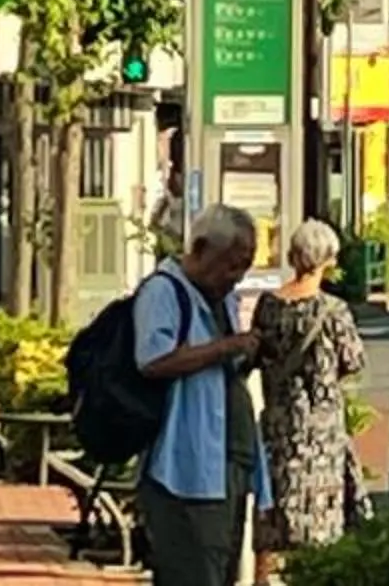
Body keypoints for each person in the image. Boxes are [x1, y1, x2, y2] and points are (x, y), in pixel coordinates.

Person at [134, 202, 271, 586]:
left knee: (222, 569)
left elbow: (221, 368)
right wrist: (226, 347)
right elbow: (153, 360)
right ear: (200, 249)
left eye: (244, 266)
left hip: (229, 461)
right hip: (184, 468)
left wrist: (248, 355)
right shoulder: (164, 291)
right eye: (230, 264)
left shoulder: (223, 297)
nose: (236, 276)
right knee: (194, 570)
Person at [251, 219, 366, 577]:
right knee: (321, 526)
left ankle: (265, 578)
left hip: (279, 425)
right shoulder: (333, 311)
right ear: (328, 259)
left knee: (273, 519)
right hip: (321, 432)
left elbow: (256, 355)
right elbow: (353, 361)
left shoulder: (268, 306)